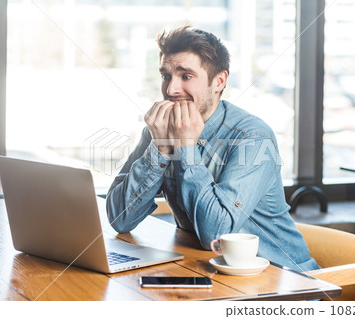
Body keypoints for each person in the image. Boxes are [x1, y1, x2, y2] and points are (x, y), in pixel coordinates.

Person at [106, 26, 319, 272]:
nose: (171, 89)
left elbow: (216, 234)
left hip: (287, 282)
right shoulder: (160, 131)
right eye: (166, 76)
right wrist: (161, 149)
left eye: (186, 76)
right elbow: (120, 218)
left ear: (219, 81)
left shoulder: (252, 137)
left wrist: (186, 148)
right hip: (215, 275)